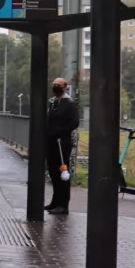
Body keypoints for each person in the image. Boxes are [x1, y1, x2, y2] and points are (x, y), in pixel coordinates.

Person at [46, 77, 79, 214]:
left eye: (58, 85)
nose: (55, 87)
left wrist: (61, 132)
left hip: (62, 143)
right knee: (53, 172)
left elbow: (74, 122)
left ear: (64, 87)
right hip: (51, 142)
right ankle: (55, 201)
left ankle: (63, 205)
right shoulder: (53, 102)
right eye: (53, 84)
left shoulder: (69, 103)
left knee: (62, 173)